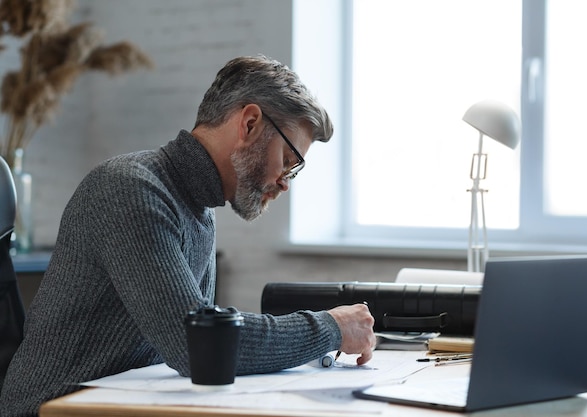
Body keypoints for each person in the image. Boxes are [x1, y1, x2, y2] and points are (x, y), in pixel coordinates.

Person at [0, 55, 376, 417]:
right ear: (249, 124)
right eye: (290, 161)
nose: (284, 183)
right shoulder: (131, 190)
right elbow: (196, 346)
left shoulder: (198, 207)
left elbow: (200, 335)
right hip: (51, 411)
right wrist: (329, 328)